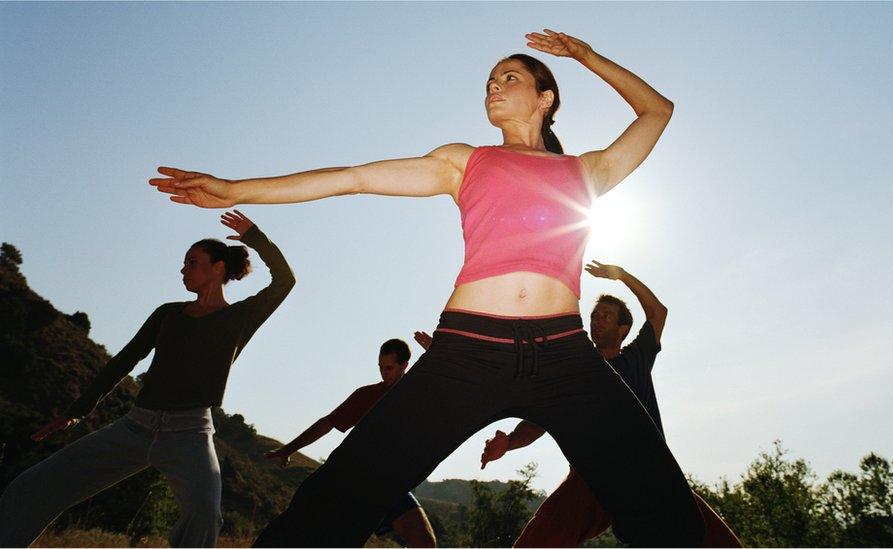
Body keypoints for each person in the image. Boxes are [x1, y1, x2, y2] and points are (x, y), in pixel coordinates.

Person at [150, 29, 704, 547]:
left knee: (664, 508)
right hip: (467, 352)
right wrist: (233, 188)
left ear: (546, 98)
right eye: (490, 79)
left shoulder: (586, 171)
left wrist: (586, 57)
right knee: (342, 496)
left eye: (510, 76)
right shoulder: (464, 161)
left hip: (565, 357)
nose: (494, 84)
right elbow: (355, 177)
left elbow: (657, 111)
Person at [0, 211, 295, 548]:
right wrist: (78, 410)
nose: (183, 269)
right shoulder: (167, 314)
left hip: (191, 434)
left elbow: (285, 280)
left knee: (205, 513)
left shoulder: (239, 317)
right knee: (31, 485)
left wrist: (254, 237)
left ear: (218, 268)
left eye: (192, 262)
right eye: (183, 263)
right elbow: (125, 360)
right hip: (135, 428)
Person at [478, 261, 742, 547]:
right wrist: (510, 443)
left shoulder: (635, 360)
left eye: (606, 315)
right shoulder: (575, 375)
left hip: (648, 473)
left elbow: (658, 313)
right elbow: (538, 422)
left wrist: (623, 276)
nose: (597, 320)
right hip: (592, 477)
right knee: (536, 543)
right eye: (594, 315)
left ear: (623, 329)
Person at [263, 339, 436, 548]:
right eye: (380, 367)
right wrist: (289, 448)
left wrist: (436, 352)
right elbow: (327, 423)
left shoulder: (419, 391)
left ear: (404, 366)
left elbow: (448, 385)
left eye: (389, 368)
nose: (383, 373)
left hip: (390, 484)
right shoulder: (367, 395)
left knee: (425, 543)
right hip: (354, 481)